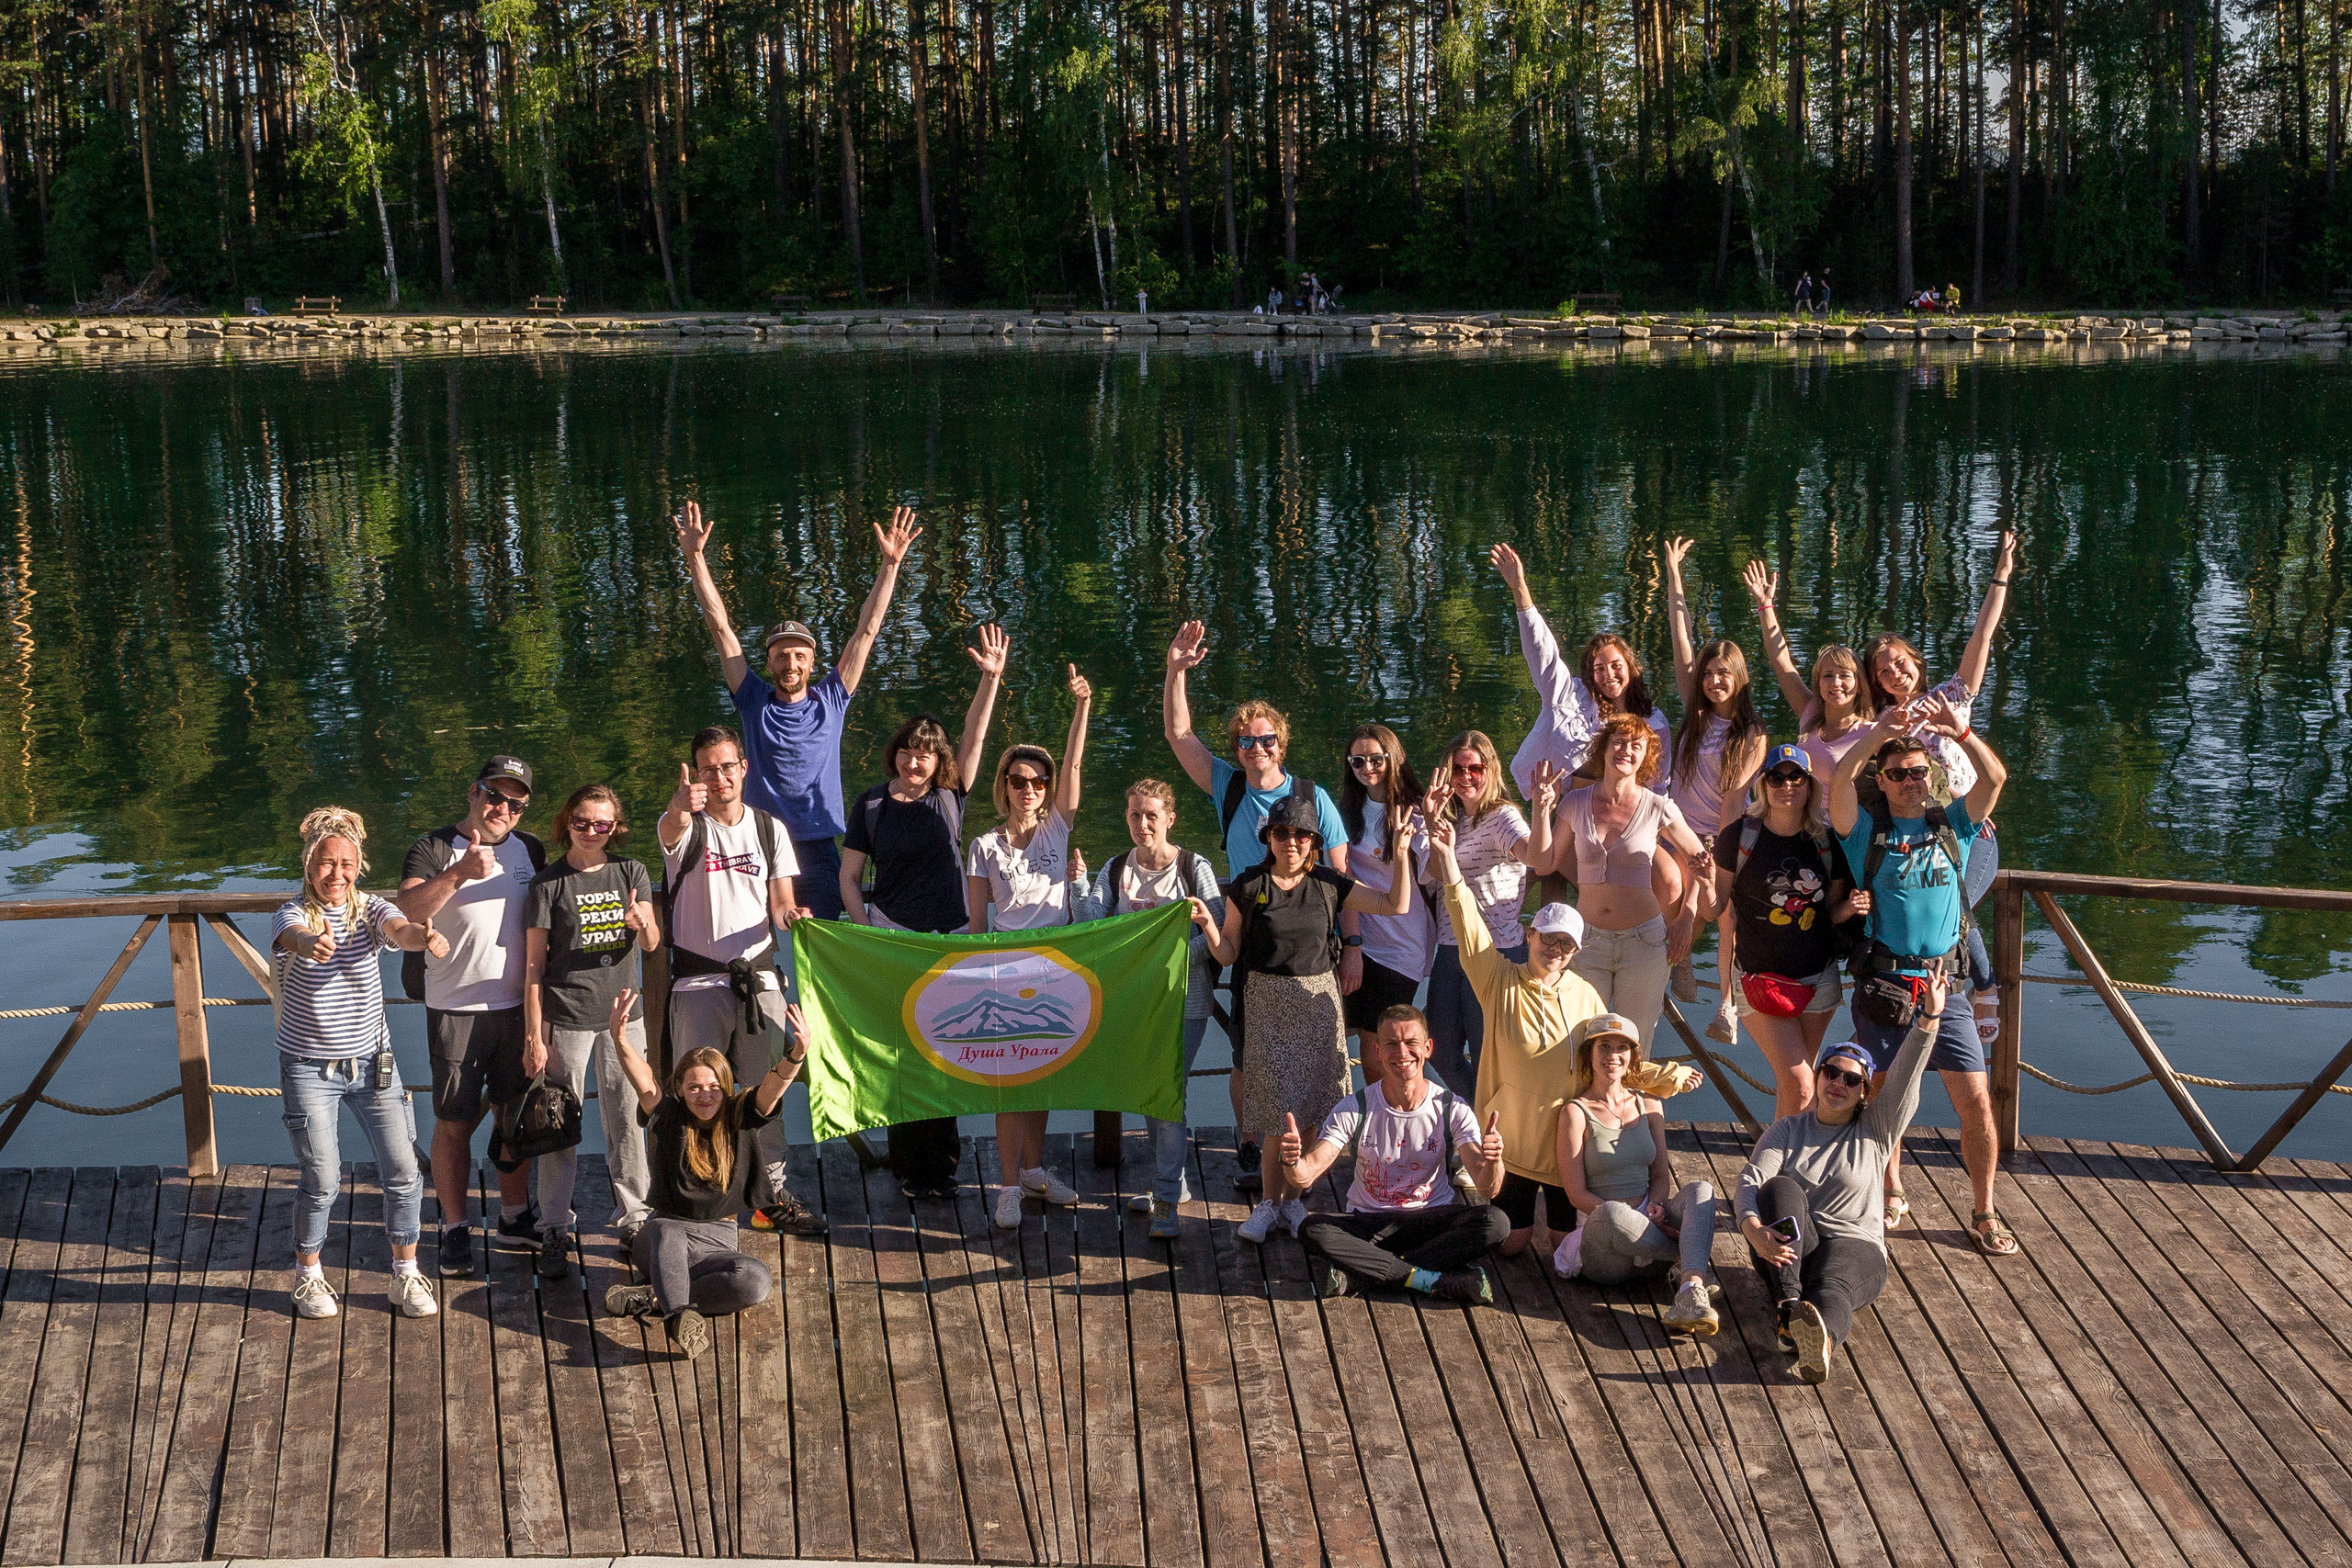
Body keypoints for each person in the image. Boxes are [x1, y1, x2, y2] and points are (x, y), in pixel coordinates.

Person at [1425, 805, 1698, 1259]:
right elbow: (1468, 925)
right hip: (1510, 1143)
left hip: (1564, 1154)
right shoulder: (1497, 980)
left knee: (1559, 1246)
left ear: (1576, 949)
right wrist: (1448, 860)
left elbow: (1614, 1063)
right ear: (1529, 934)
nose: (1555, 948)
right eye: (1547, 937)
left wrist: (1665, 1078)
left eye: (1566, 943)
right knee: (1509, 1246)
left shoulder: (1587, 996)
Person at [1163, 620, 1350, 1185]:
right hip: (1248, 930)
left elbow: (1341, 881)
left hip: (1310, 941)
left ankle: (1309, 1154)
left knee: (1317, 1055)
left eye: (1267, 740)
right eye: (1246, 740)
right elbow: (1179, 735)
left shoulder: (1311, 796)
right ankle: (1251, 1147)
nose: (1257, 748)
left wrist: (1355, 947)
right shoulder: (1229, 786)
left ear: (1281, 745)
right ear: (1237, 747)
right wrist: (1175, 670)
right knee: (1246, 1053)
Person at [675, 497, 922, 922]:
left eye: (799, 656)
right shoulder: (752, 700)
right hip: (757, 840)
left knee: (820, 939)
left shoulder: (832, 698)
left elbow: (867, 630)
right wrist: (696, 558)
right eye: (782, 656)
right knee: (757, 941)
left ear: (811, 662)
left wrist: (891, 565)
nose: (791, 664)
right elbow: (720, 626)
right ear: (769, 662)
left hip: (817, 847)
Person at [1830, 696, 2014, 1254]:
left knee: (1977, 1103)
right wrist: (1878, 733)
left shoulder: (1954, 825)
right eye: (1897, 774)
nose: (1909, 781)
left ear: (1930, 777)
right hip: (1885, 989)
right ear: (1882, 782)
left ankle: (1984, 1210)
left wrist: (1960, 730)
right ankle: (1891, 1192)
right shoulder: (1864, 834)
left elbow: (1995, 776)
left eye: (1917, 772)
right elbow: (1838, 782)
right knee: (1885, 1103)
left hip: (1946, 989)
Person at [1193, 795, 1415, 1241]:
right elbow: (1229, 953)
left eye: (1300, 834)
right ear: (1268, 839)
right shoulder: (1249, 884)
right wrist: (1208, 926)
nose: (1290, 841)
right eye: (1281, 833)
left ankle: (1294, 1202)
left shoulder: (1330, 883)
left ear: (1314, 840)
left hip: (1318, 1003)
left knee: (1313, 1107)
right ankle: (1268, 1206)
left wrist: (1404, 855)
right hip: (1266, 1004)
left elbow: (1397, 904)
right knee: (1276, 1115)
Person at [841, 626, 1007, 1199]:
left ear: (939, 762)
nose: (917, 760)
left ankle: (945, 1166)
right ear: (897, 753)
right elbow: (848, 876)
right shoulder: (871, 802)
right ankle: (910, 1167)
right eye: (909, 750)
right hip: (894, 938)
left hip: (951, 938)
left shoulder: (950, 797)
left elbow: (975, 737)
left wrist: (989, 679)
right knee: (904, 1054)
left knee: (949, 1050)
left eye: (927, 753)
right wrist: (866, 935)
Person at [1736, 965, 1948, 1383]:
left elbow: (1906, 1074)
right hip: (1791, 1255)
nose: (1838, 1083)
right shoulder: (1787, 1129)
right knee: (1780, 1186)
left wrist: (1929, 1019)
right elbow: (1751, 1182)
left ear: (1864, 1092)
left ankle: (1822, 1342)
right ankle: (1790, 1307)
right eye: (1830, 1072)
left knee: (1833, 1290)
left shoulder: (1877, 1128)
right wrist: (1752, 1229)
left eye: (1852, 1080)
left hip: (1855, 1247)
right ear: (1818, 1076)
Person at [274, 807, 446, 1320]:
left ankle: (405, 1272)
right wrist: (309, 942)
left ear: (359, 865)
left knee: (402, 1170)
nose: (337, 875)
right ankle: (308, 1275)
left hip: (373, 1064)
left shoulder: (368, 908)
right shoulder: (292, 913)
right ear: (309, 867)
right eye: (327, 864)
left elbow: (398, 929)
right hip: (308, 1067)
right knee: (323, 1179)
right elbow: (291, 938)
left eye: (347, 864)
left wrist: (424, 938)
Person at [658, 725, 827, 1236]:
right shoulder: (686, 828)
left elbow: (779, 903)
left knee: (764, 1094)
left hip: (758, 982)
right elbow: (669, 827)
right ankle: (694, 1195)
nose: (719, 776)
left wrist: (793, 916)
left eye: (727, 765)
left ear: (744, 768)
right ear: (696, 775)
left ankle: (770, 1195)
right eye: (708, 768)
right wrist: (679, 803)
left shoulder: (770, 829)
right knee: (698, 1093)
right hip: (696, 986)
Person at [1860, 529, 2018, 1045]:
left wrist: (2000, 577)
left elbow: (1982, 638)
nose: (1895, 673)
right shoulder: (1881, 723)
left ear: (1916, 664)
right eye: (1884, 671)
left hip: (1971, 832)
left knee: (1960, 903)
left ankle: (1983, 985)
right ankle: (1930, 998)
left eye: (1901, 663)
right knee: (1922, 910)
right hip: (1912, 840)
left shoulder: (1951, 697)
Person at [398, 754, 545, 1280]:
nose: (504, 808)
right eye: (495, 796)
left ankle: (513, 1215)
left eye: (516, 802)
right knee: (455, 1121)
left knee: (516, 1116)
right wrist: (459, 872)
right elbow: (409, 912)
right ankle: (455, 1228)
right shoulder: (434, 847)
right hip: (454, 1007)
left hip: (518, 1008)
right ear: (473, 792)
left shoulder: (530, 850)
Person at [601, 987, 805, 1360]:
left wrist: (796, 1054)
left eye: (713, 1087)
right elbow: (644, 1080)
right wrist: (619, 1038)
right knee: (666, 1229)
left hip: (719, 1242)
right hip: (663, 1239)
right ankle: (679, 1315)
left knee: (755, 1280)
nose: (704, 1095)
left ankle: (653, 1297)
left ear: (725, 1089)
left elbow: (773, 1088)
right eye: (694, 1087)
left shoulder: (740, 1114)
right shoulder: (669, 1116)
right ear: (679, 1088)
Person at [967, 663, 1094, 1230]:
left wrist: (1082, 706)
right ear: (1005, 786)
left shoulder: (1057, 830)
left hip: (1056, 965)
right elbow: (976, 924)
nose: (1030, 789)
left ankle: (1036, 1171)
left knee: (1042, 1073)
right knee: (1008, 1082)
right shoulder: (984, 845)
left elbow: (1074, 765)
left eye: (1037, 782)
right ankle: (1006, 1184)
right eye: (1019, 780)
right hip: (1006, 966)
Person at [1276, 1005, 1509, 1303]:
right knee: (1312, 1229)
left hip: (1431, 1219)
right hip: (1370, 1222)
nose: (1402, 1053)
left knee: (1497, 1222)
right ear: (1376, 1050)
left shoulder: (1452, 1108)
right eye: (1391, 1044)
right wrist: (1292, 1161)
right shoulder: (1355, 1107)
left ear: (1427, 1048)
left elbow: (1488, 1185)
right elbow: (1307, 1172)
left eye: (1411, 1043)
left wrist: (1493, 1161)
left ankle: (1364, 1273)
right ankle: (1434, 1279)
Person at [521, 784, 661, 1274]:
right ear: (568, 823)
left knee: (628, 1121)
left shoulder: (631, 871)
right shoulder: (547, 884)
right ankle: (555, 1227)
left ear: (615, 827)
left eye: (603, 824)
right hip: (567, 1019)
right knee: (557, 1126)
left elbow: (651, 945)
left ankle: (635, 1218)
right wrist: (533, 1036)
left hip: (625, 1019)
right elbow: (534, 967)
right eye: (582, 822)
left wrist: (643, 920)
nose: (592, 832)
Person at [1077, 779, 1226, 1238]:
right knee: (1149, 1087)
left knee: (1167, 1090)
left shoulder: (1192, 866)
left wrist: (1171, 956)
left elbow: (1218, 933)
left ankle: (1164, 1196)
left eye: (1151, 816)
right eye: (1135, 815)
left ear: (1169, 819)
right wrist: (1079, 884)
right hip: (1135, 1002)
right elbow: (1092, 928)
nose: (1143, 824)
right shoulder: (1117, 867)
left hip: (1186, 1000)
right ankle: (1174, 1182)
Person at [1703, 746, 1860, 1119]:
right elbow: (1714, 909)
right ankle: (1772, 1172)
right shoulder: (1739, 836)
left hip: (1817, 977)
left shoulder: (1826, 840)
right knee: (1802, 1085)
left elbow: (1830, 913)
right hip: (1759, 978)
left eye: (1796, 777)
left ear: (1809, 786)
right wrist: (1701, 880)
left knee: (1796, 1091)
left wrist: (1851, 908)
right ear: (1763, 784)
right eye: (1777, 777)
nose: (1786, 785)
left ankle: (1784, 1174)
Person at [1534, 714, 1708, 1047]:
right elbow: (1544, 864)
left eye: (1636, 746)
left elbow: (1700, 862)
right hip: (1585, 944)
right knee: (1577, 1044)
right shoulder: (1574, 803)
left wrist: (1686, 916)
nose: (1626, 750)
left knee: (1635, 1048)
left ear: (1646, 757)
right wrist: (1542, 810)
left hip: (1643, 943)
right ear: (1604, 749)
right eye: (1619, 742)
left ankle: (1635, 1102)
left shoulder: (1659, 807)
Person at [1660, 537, 1768, 1033]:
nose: (1713, 681)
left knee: (1726, 914)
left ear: (1739, 678)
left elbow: (1732, 802)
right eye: (1708, 674)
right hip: (1673, 828)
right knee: (1668, 884)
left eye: (1724, 674)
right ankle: (1676, 959)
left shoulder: (1751, 735)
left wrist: (1719, 855)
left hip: (1719, 833)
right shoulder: (1694, 717)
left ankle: (1727, 1006)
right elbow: (1681, 641)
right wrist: (1674, 575)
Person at [1555, 1012, 1720, 1336]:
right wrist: (1639, 1221)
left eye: (1622, 1048)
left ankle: (1689, 1290)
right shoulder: (1575, 1112)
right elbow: (1576, 1194)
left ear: (1633, 1057)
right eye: (1604, 1046)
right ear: (1589, 1053)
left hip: (1650, 1225)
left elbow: (1660, 1175)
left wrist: (1657, 1206)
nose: (1613, 1056)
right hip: (1606, 1244)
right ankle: (1689, 1258)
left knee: (1701, 1190)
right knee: (1614, 1213)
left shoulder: (1651, 1106)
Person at [1418, 730, 1538, 1099]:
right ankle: (1478, 1116)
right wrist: (1430, 817)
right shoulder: (1451, 820)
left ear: (1491, 769)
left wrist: (1547, 813)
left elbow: (1533, 855)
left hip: (1494, 949)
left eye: (1475, 768)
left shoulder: (1502, 817)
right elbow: (1435, 874)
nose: (1465, 776)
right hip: (1451, 947)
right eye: (1457, 768)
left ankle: (1493, 1135)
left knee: (1489, 1053)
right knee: (1438, 1049)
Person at [1335, 725, 1432, 1076]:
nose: (1367, 768)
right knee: (1365, 1035)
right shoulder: (1345, 813)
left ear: (1394, 758)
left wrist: (1429, 831)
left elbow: (1435, 871)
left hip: (1402, 944)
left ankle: (1398, 1114)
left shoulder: (1414, 811)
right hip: (1360, 938)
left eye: (1376, 759)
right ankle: (1372, 1115)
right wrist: (1353, 946)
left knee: (1389, 1038)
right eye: (1358, 761)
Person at [1742, 561, 1871, 795]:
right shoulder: (1810, 712)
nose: (1835, 683)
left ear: (1859, 684)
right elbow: (1782, 664)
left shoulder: (1871, 732)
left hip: (1843, 827)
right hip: (1802, 819)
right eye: (1828, 676)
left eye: (1844, 675)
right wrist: (1765, 605)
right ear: (1818, 683)